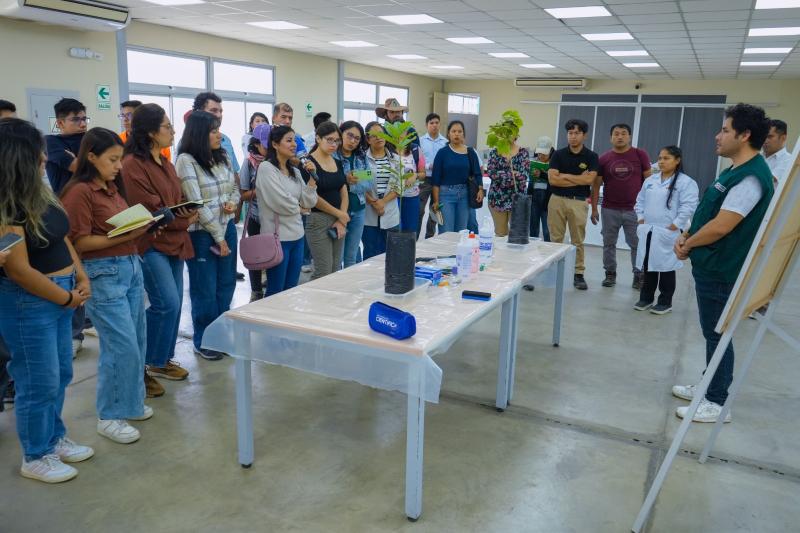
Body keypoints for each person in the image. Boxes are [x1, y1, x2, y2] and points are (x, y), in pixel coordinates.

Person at [0, 118, 93, 482]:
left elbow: (61, 236)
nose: (44, 158)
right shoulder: (7, 206)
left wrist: (80, 275)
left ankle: (53, 438)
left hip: (61, 293)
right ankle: (35, 454)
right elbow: (19, 271)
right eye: (36, 153)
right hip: (30, 302)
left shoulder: (40, 193)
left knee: (60, 373)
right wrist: (66, 297)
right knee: (37, 380)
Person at [672, 103, 774, 423]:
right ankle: (709, 385)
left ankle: (716, 402)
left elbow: (722, 226)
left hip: (722, 269)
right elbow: (709, 213)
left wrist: (688, 243)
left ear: (744, 135)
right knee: (712, 331)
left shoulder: (751, 178)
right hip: (711, 265)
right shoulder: (733, 171)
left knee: (718, 333)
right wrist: (687, 235)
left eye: (725, 130)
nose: (718, 136)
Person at [59, 127, 155, 444]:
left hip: (129, 268)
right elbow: (78, 242)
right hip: (103, 273)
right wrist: (128, 235)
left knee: (136, 340)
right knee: (120, 345)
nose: (118, 166)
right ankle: (110, 415)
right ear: (91, 157)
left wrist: (137, 229)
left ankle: (130, 403)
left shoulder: (111, 188)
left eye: (120, 159)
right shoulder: (79, 191)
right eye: (112, 160)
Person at [123, 103, 197, 398]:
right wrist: (184, 219)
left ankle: (160, 360)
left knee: (175, 304)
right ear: (151, 132)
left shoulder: (165, 162)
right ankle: (142, 365)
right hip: (151, 242)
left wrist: (183, 212)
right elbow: (152, 211)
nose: (173, 131)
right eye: (167, 126)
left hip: (174, 240)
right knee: (165, 302)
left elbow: (176, 201)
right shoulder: (132, 165)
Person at [176, 111, 240, 361]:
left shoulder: (222, 156)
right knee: (205, 289)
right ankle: (204, 340)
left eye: (218, 130)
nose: (219, 135)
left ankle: (220, 335)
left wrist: (233, 203)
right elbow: (196, 203)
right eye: (213, 131)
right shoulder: (186, 160)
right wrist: (218, 237)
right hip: (202, 235)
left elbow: (235, 187)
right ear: (199, 134)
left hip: (227, 227)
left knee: (226, 284)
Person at [45, 97, 90, 354]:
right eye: (76, 119)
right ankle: (74, 334)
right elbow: (81, 168)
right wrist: (88, 162)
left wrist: (81, 162)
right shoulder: (52, 142)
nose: (82, 123)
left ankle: (86, 321)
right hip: (67, 214)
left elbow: (96, 167)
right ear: (60, 122)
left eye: (84, 118)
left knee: (91, 270)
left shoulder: (88, 139)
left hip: (93, 210)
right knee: (73, 273)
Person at [633, 146, 699, 315]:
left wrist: (675, 224)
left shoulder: (686, 182)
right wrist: (640, 218)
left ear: (677, 160)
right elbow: (640, 201)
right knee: (648, 265)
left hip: (668, 231)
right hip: (648, 229)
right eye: (660, 158)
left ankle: (665, 302)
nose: (661, 162)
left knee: (666, 267)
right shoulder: (650, 180)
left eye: (666, 158)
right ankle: (646, 298)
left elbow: (689, 206)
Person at [256, 125, 318, 295]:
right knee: (275, 290)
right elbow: (280, 201)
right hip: (277, 238)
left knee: (291, 289)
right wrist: (300, 209)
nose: (294, 145)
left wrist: (312, 178)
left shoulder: (295, 172)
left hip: (297, 236)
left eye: (295, 141)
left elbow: (309, 201)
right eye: (289, 140)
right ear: (275, 144)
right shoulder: (266, 168)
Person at [192, 93, 246, 281]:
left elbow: (234, 176)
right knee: (206, 284)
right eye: (213, 110)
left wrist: (235, 203)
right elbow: (192, 196)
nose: (218, 115)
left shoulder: (225, 141)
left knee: (227, 280)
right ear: (199, 112)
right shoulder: (188, 149)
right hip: (203, 226)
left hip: (227, 218)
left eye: (221, 111)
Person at [593, 124, 652, 290]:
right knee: (608, 243)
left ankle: (638, 275)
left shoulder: (640, 154)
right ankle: (610, 274)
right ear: (611, 137)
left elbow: (650, 183)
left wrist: (648, 209)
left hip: (635, 210)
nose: (620, 137)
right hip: (609, 209)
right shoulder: (604, 159)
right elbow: (596, 185)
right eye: (616, 134)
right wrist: (594, 208)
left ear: (629, 137)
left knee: (636, 244)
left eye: (624, 133)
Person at [547, 118, 599, 291]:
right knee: (555, 238)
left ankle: (578, 273)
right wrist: (578, 179)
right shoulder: (558, 154)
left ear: (584, 135)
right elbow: (553, 180)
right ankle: (555, 269)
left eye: (577, 133)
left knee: (577, 240)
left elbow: (589, 180)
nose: (573, 136)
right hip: (557, 200)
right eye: (570, 133)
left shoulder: (591, 156)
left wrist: (564, 176)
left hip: (579, 202)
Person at [306, 121, 348, 279]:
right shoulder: (308, 163)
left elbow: (343, 189)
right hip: (318, 220)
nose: (334, 144)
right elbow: (312, 197)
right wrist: (339, 214)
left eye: (337, 141)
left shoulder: (337, 161)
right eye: (329, 140)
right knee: (323, 270)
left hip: (339, 220)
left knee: (336, 268)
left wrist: (342, 218)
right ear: (318, 138)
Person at [430, 120, 484, 234]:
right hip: (445, 196)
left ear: (463, 134)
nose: (457, 134)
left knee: (461, 232)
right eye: (453, 131)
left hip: (465, 196)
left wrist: (480, 189)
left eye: (460, 131)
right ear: (448, 134)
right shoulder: (442, 153)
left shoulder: (470, 152)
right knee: (446, 233)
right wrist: (435, 201)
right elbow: (436, 179)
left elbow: (477, 173)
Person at [239, 123, 270, 301]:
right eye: (265, 144)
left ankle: (272, 290)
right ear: (256, 144)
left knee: (274, 254)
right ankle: (256, 291)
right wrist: (262, 189)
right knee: (256, 256)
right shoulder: (249, 163)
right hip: (256, 217)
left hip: (275, 218)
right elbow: (243, 194)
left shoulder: (277, 161)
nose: (269, 147)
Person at [335, 120, 372, 268]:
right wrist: (345, 179)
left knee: (351, 258)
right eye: (349, 135)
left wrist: (349, 185)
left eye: (357, 138)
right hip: (338, 212)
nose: (352, 141)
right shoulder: (333, 156)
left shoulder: (361, 156)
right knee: (337, 258)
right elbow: (329, 183)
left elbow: (369, 182)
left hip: (359, 210)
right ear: (341, 134)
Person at [362, 121, 401, 259]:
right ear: (368, 139)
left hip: (390, 212)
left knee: (391, 254)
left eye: (381, 134)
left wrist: (382, 202)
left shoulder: (395, 159)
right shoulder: (362, 159)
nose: (378, 137)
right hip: (369, 213)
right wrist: (374, 203)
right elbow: (360, 185)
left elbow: (399, 186)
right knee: (370, 253)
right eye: (374, 135)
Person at [486, 133, 530, 237]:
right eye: (505, 131)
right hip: (497, 199)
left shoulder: (523, 152)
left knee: (518, 236)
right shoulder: (494, 152)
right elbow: (492, 173)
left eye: (511, 131)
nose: (508, 134)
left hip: (518, 199)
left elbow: (523, 176)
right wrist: (513, 174)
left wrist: (501, 175)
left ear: (516, 134)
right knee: (500, 234)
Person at [418, 113, 448, 239]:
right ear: (427, 125)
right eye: (431, 123)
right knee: (419, 210)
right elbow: (417, 160)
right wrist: (428, 166)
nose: (434, 125)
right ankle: (414, 237)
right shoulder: (421, 141)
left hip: (439, 180)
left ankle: (429, 237)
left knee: (435, 210)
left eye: (436, 123)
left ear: (440, 124)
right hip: (424, 179)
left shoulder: (445, 142)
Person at [398, 137, 426, 233]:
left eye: (404, 131)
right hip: (392, 197)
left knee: (410, 230)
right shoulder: (388, 149)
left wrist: (415, 175)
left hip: (411, 197)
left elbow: (423, 173)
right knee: (395, 230)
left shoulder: (415, 149)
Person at [529, 136, 553, 240]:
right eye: (539, 153)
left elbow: (556, 181)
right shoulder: (533, 161)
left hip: (548, 198)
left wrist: (543, 175)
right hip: (534, 196)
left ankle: (549, 248)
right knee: (533, 228)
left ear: (550, 151)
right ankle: (533, 247)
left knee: (547, 229)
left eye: (544, 154)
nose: (541, 156)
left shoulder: (555, 163)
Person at [762, 119, 792, 184]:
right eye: (763, 136)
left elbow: (768, 180)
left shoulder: (788, 160)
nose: (765, 141)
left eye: (770, 137)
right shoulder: (756, 156)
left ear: (783, 138)